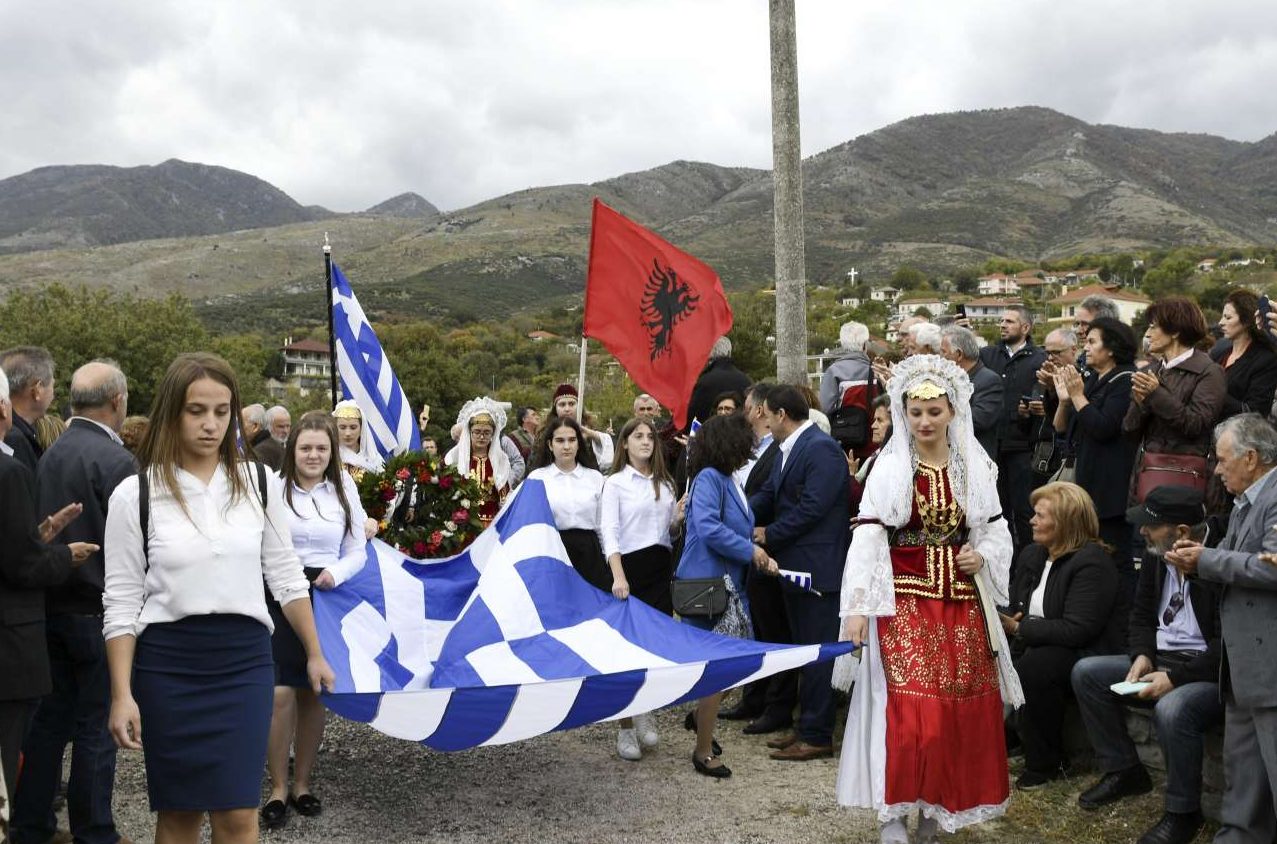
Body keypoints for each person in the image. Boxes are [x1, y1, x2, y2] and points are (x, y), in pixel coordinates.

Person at [102, 352, 335, 844]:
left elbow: (286, 576)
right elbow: (120, 603)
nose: (211, 424)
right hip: (168, 669)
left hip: (244, 663)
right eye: (196, 411)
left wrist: (314, 652)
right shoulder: (134, 495)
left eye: (222, 411)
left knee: (238, 814)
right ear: (171, 413)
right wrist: (122, 695)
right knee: (180, 816)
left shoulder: (260, 484)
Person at [838, 354, 1018, 842]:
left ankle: (937, 811)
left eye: (934, 412)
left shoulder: (973, 468)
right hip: (903, 604)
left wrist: (980, 557)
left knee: (955, 714)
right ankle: (894, 814)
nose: (924, 421)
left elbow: (994, 531)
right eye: (915, 412)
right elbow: (869, 539)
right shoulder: (891, 467)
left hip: (961, 606)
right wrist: (857, 608)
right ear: (903, 413)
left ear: (952, 412)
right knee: (909, 713)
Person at [13, 361, 135, 844]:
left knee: (50, 725)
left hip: (51, 607)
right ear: (117, 402)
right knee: (96, 727)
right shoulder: (117, 462)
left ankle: (32, 821)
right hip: (98, 611)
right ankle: (94, 830)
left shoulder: (49, 451)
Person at [1070, 486, 1222, 844]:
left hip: (1206, 671)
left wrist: (1174, 678)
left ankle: (1183, 812)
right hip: (1162, 659)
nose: (1141, 532)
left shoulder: (1216, 562)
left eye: (1150, 526)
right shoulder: (1158, 554)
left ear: (1182, 532)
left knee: (1173, 710)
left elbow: (1227, 646)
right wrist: (1142, 654)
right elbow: (1140, 615)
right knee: (1088, 674)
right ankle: (1124, 769)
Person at [1165, 413, 1277, 844]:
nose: (1215, 468)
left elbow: (1271, 566)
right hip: (1244, 665)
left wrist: (1206, 560)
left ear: (1251, 458)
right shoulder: (1245, 501)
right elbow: (1231, 560)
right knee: (1243, 770)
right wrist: (1195, 559)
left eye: (1223, 459)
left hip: (1268, 665)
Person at [262, 412, 368, 831]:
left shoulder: (344, 492)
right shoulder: (273, 487)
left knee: (313, 695)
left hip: (325, 593)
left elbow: (357, 548)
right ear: (293, 449)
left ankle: (302, 784)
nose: (313, 454)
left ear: (332, 452)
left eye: (321, 448)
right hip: (279, 593)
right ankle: (277, 786)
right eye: (305, 447)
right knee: (280, 694)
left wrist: (336, 574)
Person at [0, 366, 99, 816]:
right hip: (12, 639)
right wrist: (65, 554)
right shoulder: (10, 468)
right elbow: (20, 565)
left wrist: (40, 532)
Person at [748, 385, 850, 762]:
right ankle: (807, 725)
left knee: (818, 653)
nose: (764, 421)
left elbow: (814, 508)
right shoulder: (789, 449)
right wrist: (738, 515)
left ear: (780, 415)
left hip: (818, 567)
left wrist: (768, 533)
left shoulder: (820, 448)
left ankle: (818, 734)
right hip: (794, 565)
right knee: (803, 650)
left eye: (766, 414)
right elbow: (770, 494)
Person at [674, 413, 777, 778]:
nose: (752, 446)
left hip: (726, 586)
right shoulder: (709, 479)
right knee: (719, 670)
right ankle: (703, 750)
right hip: (706, 586)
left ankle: (701, 717)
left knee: (729, 669)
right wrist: (750, 550)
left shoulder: (727, 480)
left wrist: (752, 541)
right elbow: (707, 527)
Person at [1003, 482, 1125, 789]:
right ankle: (1006, 734)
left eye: (1041, 516)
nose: (1032, 521)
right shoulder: (1033, 554)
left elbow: (1078, 629)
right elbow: (1016, 604)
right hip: (1039, 642)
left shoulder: (1092, 562)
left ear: (1067, 522)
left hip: (1086, 651)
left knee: (1037, 665)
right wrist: (1015, 622)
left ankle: (1045, 762)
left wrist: (1021, 628)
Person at [600, 416, 680, 762]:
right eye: (638, 436)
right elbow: (609, 532)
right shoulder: (615, 483)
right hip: (628, 571)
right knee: (625, 653)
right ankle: (625, 727)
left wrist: (676, 520)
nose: (646, 442)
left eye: (650, 436)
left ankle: (645, 709)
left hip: (660, 569)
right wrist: (618, 576)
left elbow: (669, 534)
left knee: (652, 649)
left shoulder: (665, 483)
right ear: (625, 443)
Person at [721, 383, 796, 731]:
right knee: (756, 627)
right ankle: (754, 696)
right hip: (747, 547)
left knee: (772, 629)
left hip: (769, 547)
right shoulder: (749, 449)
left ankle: (775, 703)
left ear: (760, 410)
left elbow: (770, 498)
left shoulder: (779, 449)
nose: (748, 413)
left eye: (749, 407)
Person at [1053, 318, 1139, 568]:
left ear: (1111, 348)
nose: (1085, 348)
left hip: (1110, 489)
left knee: (1113, 558)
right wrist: (1064, 400)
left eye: (1092, 342)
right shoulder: (1093, 379)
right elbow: (1062, 428)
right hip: (1085, 482)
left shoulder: (1125, 380)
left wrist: (1078, 395)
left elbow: (1102, 427)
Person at [979, 306, 1047, 556]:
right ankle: (1000, 564)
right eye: (1001, 320)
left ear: (1025, 328)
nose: (1003, 325)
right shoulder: (987, 355)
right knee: (997, 512)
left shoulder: (1039, 358)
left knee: (1024, 511)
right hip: (992, 448)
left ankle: (1027, 565)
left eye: (1009, 321)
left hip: (1022, 447)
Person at [525, 416, 607, 591]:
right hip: (552, 553)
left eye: (572, 440)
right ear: (550, 444)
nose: (567, 446)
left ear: (579, 443)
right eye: (560, 440)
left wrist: (609, 562)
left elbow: (602, 526)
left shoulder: (595, 478)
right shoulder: (537, 478)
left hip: (590, 555)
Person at [445, 398, 514, 527]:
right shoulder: (455, 457)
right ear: (469, 432)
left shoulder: (501, 460)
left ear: (493, 434)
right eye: (477, 432)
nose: (482, 437)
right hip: (463, 525)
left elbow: (504, 495)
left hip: (493, 525)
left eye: (487, 433)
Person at [1211, 289, 1277, 419]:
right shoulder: (1219, 352)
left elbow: (1255, 411)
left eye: (1228, 317)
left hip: (1240, 433)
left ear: (1246, 321)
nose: (1220, 322)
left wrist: (1212, 391)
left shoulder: (1265, 360)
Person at [939, 324, 1002, 459]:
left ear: (959, 354)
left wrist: (938, 417)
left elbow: (979, 420)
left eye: (944, 352)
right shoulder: (948, 380)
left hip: (974, 460)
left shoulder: (988, 380)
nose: (940, 358)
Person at [1, 346, 57, 473]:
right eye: (52, 385)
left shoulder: (12, 432)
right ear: (37, 390)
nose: (53, 394)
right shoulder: (14, 440)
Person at [687, 336, 751, 428]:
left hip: (708, 438)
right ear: (729, 352)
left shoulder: (704, 381)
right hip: (740, 437)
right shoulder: (745, 381)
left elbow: (691, 416)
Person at [550, 384, 614, 470]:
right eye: (562, 405)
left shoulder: (591, 431)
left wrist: (592, 437)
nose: (567, 409)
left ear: (579, 406)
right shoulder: (545, 434)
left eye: (571, 404)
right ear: (555, 409)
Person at [331, 399, 383, 480]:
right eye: (342, 427)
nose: (348, 433)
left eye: (353, 427)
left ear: (361, 429)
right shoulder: (329, 456)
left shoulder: (374, 459)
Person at [242, 403, 283, 472]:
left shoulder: (258, 453)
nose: (237, 428)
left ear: (255, 426)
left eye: (241, 423)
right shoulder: (273, 445)